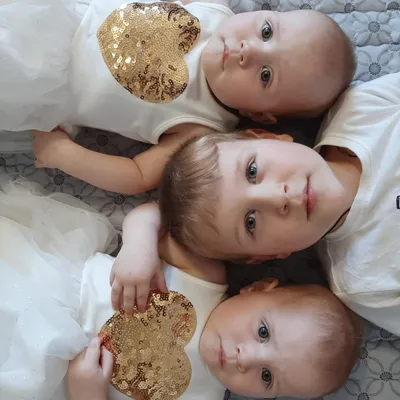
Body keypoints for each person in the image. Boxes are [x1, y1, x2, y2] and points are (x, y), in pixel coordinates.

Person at [0, 180, 361, 400]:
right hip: (47, 283)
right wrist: (139, 248)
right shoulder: (204, 273)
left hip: (36, 373)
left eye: (266, 377)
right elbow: (154, 214)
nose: (245, 358)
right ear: (257, 288)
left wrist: (89, 396)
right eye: (263, 332)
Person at [0, 0, 354, 194]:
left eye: (265, 75)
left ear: (260, 115)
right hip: (56, 12)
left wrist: (64, 155)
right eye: (266, 31)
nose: (249, 50)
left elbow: (137, 176)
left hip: (42, 84)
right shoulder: (215, 11)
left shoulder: (201, 128)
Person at [156, 72, 400, 336]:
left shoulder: (363, 109)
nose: (277, 197)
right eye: (251, 222)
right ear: (271, 254)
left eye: (252, 171)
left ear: (268, 137)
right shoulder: (361, 284)